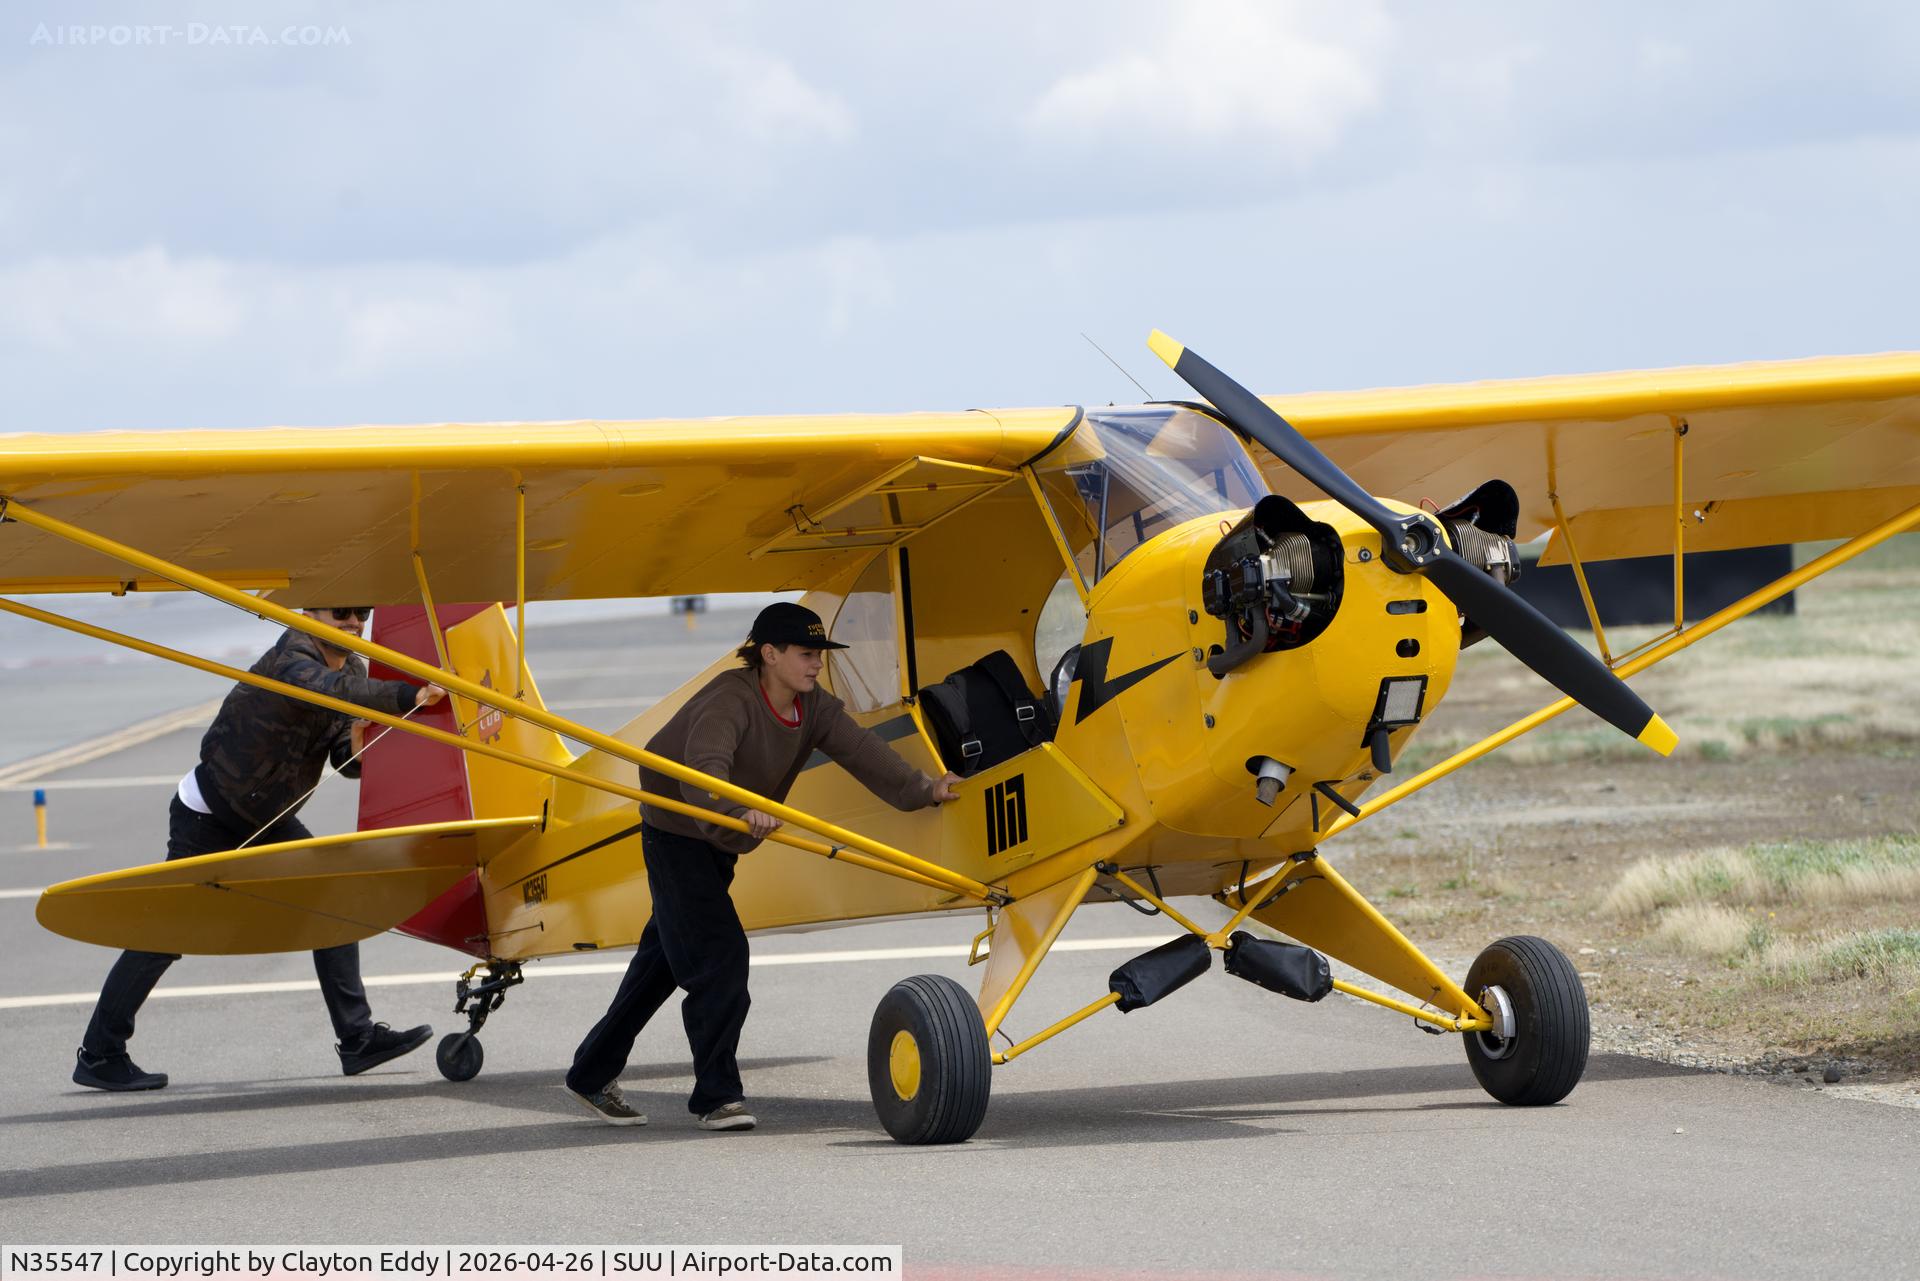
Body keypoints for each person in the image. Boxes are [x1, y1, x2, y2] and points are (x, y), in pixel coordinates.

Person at [565, 602, 961, 1130]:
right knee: (721, 958)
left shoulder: (811, 705)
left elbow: (862, 750)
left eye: (820, 653)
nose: (817, 662)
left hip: (720, 842)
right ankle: (716, 1098)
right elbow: (702, 774)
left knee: (663, 964)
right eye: (805, 653)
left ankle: (591, 1073)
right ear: (769, 654)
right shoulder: (730, 700)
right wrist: (734, 811)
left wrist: (925, 789)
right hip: (678, 835)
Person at [71, 606, 448, 1091]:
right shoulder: (292, 656)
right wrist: (405, 694)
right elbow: (324, 690)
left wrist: (357, 743)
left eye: (362, 613)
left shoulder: (351, 669)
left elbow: (343, 759)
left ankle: (357, 1039)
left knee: (335, 897)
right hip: (209, 813)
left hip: (266, 817)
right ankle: (100, 1054)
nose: (354, 622)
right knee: (164, 935)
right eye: (341, 613)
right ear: (310, 613)